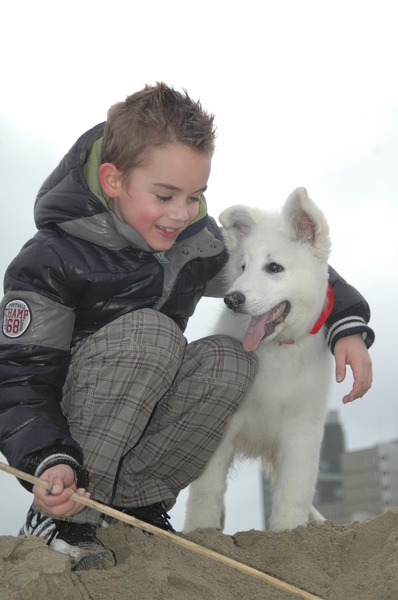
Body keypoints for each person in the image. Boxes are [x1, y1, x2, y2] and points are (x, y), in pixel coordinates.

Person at [0, 83, 374, 571]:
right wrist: (48, 462)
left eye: (196, 196)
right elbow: (20, 381)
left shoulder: (193, 241)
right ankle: (62, 522)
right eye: (165, 195)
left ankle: (135, 506)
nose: (182, 213)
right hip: (68, 436)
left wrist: (344, 323)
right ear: (113, 180)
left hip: (141, 417)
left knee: (229, 357)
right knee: (151, 336)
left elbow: (289, 270)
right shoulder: (50, 260)